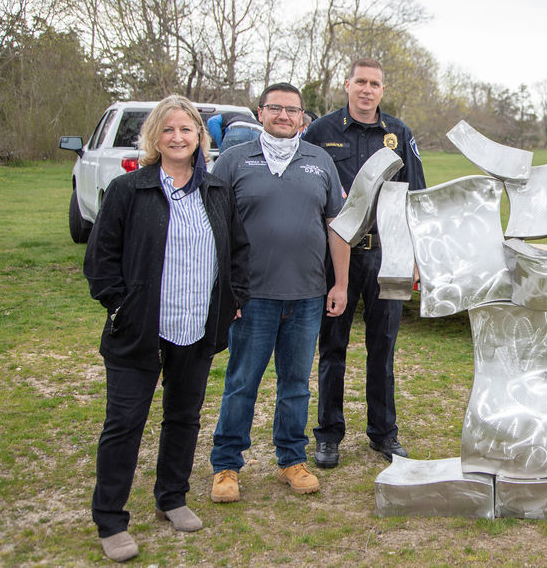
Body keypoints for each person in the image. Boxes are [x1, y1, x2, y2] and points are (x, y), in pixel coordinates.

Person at [84, 95, 249, 562]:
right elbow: (100, 261)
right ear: (155, 136)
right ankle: (111, 520)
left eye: (187, 130)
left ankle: (171, 497)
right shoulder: (128, 189)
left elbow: (238, 252)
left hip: (195, 325)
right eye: (169, 129)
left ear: (200, 137)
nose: (178, 138)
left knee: (183, 416)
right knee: (124, 423)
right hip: (139, 330)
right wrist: (121, 306)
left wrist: (234, 299)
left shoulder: (215, 191)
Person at [208, 83, 349, 503]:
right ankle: (226, 466)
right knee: (241, 383)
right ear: (260, 112)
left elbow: (336, 227)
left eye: (292, 110)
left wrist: (340, 283)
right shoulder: (233, 161)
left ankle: (291, 459)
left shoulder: (319, 160)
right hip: (251, 298)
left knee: (295, 385)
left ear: (303, 117)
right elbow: (212, 230)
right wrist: (223, 291)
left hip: (306, 296)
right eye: (275, 108)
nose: (284, 116)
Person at [303, 58, 426, 465]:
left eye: (375, 83)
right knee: (332, 346)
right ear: (347, 85)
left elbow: (416, 198)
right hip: (335, 257)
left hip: (386, 254)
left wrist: (416, 258)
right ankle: (329, 434)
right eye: (360, 82)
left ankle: (383, 433)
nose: (367, 90)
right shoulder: (320, 132)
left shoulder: (399, 133)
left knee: (383, 347)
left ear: (382, 90)